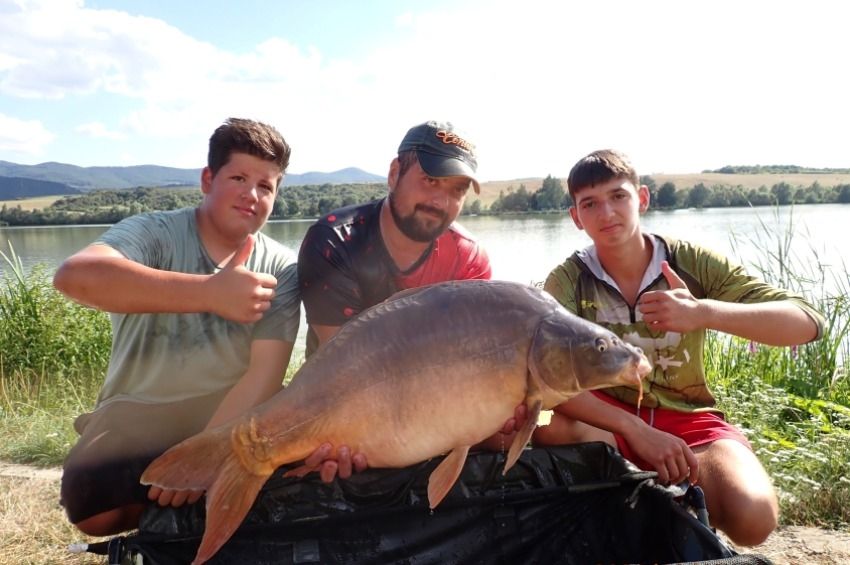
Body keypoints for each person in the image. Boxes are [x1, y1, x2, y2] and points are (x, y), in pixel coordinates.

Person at [532, 149, 824, 546]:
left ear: (643, 198)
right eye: (590, 204)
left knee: (754, 519)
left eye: (619, 196)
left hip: (688, 418)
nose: (607, 213)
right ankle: (626, 517)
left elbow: (806, 322)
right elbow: (546, 380)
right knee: (550, 429)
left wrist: (704, 313)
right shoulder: (568, 280)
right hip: (605, 420)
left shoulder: (690, 261)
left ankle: (673, 508)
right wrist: (633, 428)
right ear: (575, 217)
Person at [53, 117, 317, 537]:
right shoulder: (154, 232)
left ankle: (199, 514)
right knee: (91, 512)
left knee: (297, 485)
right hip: (139, 407)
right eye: (238, 178)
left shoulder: (281, 267)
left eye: (266, 186)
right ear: (208, 179)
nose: (252, 194)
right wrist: (211, 292)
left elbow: (263, 377)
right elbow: (74, 277)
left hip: (228, 409)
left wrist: (204, 457)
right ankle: (166, 519)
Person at [295, 120, 524, 477]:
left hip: (435, 412)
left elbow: (469, 370)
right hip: (343, 406)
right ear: (393, 173)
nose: (440, 201)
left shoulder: (468, 259)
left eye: (457, 190)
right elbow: (341, 371)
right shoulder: (335, 240)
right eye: (430, 181)